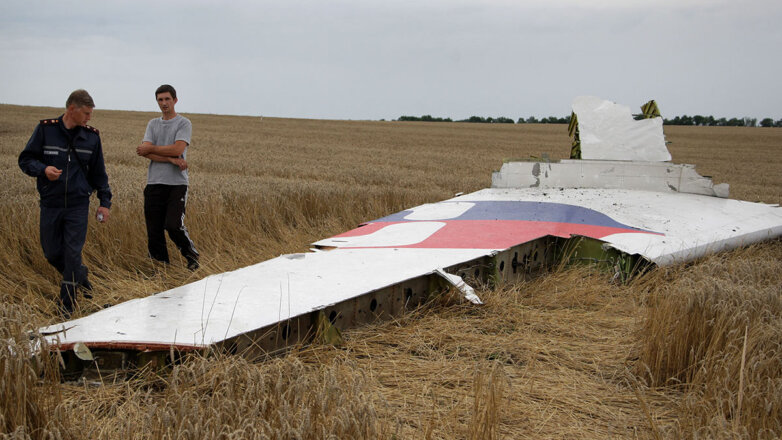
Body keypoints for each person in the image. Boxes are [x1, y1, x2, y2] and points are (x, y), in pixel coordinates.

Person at [18, 89, 112, 316]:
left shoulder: (91, 137)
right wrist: (43, 170)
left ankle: (66, 308)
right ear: (72, 109)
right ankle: (82, 280)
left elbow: (99, 173)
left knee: (71, 254)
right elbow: (26, 159)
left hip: (78, 205)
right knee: (51, 254)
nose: (89, 118)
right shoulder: (45, 130)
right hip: (51, 203)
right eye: (86, 113)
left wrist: (104, 202)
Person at [136, 84, 199, 270]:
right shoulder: (153, 124)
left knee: (173, 225)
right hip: (154, 183)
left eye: (167, 99)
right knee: (154, 231)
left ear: (175, 100)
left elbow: (178, 148)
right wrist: (171, 160)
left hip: (176, 184)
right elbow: (143, 152)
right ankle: (160, 269)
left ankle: (192, 255)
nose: (164, 103)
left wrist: (152, 148)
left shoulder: (183, 123)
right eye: (160, 100)